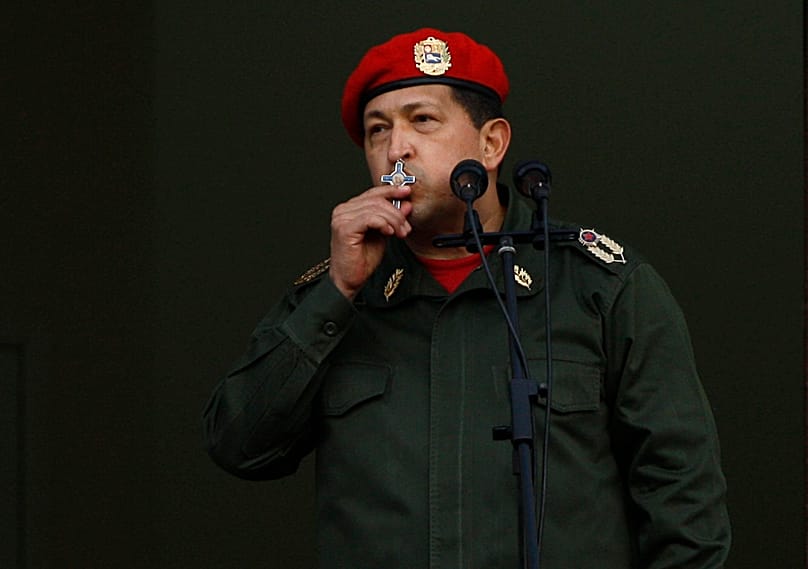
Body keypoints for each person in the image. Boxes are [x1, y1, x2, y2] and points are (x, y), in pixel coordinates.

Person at [203, 27, 731, 568]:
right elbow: (240, 446)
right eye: (376, 131)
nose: (396, 148)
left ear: (491, 144)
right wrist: (336, 294)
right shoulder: (339, 293)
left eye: (422, 120)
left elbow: (685, 505)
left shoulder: (603, 286)